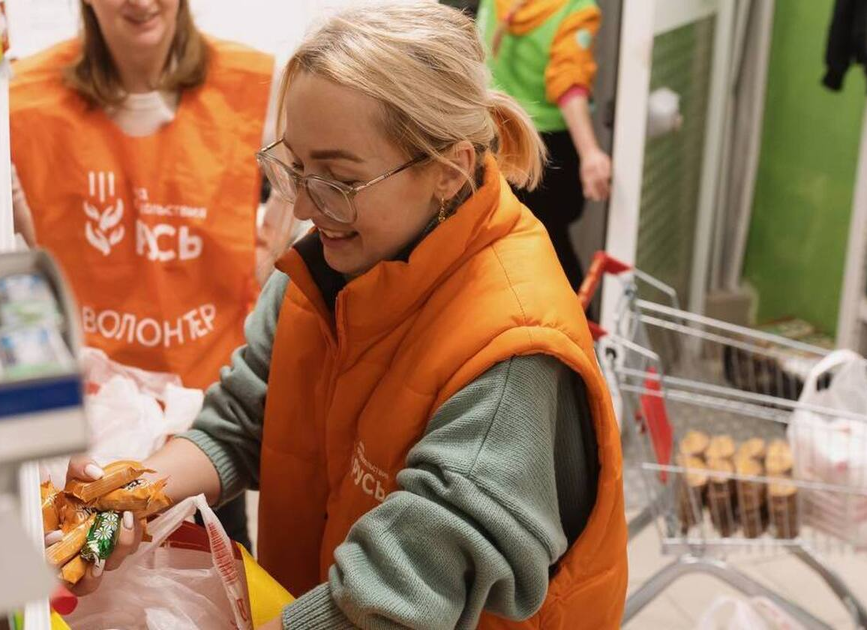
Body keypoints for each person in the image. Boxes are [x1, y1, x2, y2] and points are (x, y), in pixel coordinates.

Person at [66, 3, 628, 627]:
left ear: (449, 172)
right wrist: (126, 495)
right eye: (296, 169)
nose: (306, 208)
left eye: (336, 180)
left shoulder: (512, 354)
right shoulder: (327, 269)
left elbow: (396, 593)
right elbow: (241, 422)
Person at [10, 0, 294, 581]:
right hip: (95, 426)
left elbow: (300, 181)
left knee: (221, 575)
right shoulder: (23, 98)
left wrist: (271, 241)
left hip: (207, 417)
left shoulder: (255, 85)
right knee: (95, 571)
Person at [478, 0, 612, 289]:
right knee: (549, 248)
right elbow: (568, 81)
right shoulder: (575, 9)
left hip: (496, 139)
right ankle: (577, 315)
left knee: (510, 243)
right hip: (544, 150)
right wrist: (590, 152)